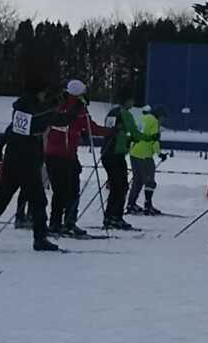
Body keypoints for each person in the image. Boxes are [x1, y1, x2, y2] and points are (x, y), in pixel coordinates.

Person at [0, 82, 77, 252]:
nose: (44, 96)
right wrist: (71, 109)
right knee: (39, 200)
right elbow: (49, 119)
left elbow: (12, 129)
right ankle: (40, 239)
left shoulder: (20, 108)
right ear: (38, 94)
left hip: (12, 158)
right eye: (44, 93)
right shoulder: (33, 109)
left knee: (2, 199)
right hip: (27, 160)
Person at [43, 80, 93, 237]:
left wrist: (81, 130)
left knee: (63, 191)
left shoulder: (61, 104)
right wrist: (109, 132)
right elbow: (85, 125)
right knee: (68, 190)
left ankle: (59, 223)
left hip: (59, 154)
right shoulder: (76, 107)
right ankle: (64, 223)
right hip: (63, 155)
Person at [96, 95, 136, 231]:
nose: (133, 102)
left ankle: (110, 216)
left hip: (108, 152)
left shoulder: (112, 112)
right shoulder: (123, 113)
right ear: (127, 100)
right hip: (115, 154)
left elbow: (111, 130)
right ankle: (115, 217)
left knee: (116, 186)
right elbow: (133, 132)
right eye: (131, 99)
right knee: (121, 186)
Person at [127, 104, 164, 215]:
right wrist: (159, 154)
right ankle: (148, 205)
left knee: (137, 180)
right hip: (144, 154)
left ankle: (131, 204)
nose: (162, 120)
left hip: (133, 152)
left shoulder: (142, 118)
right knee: (150, 181)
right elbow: (154, 140)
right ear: (159, 115)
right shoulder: (154, 122)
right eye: (162, 117)